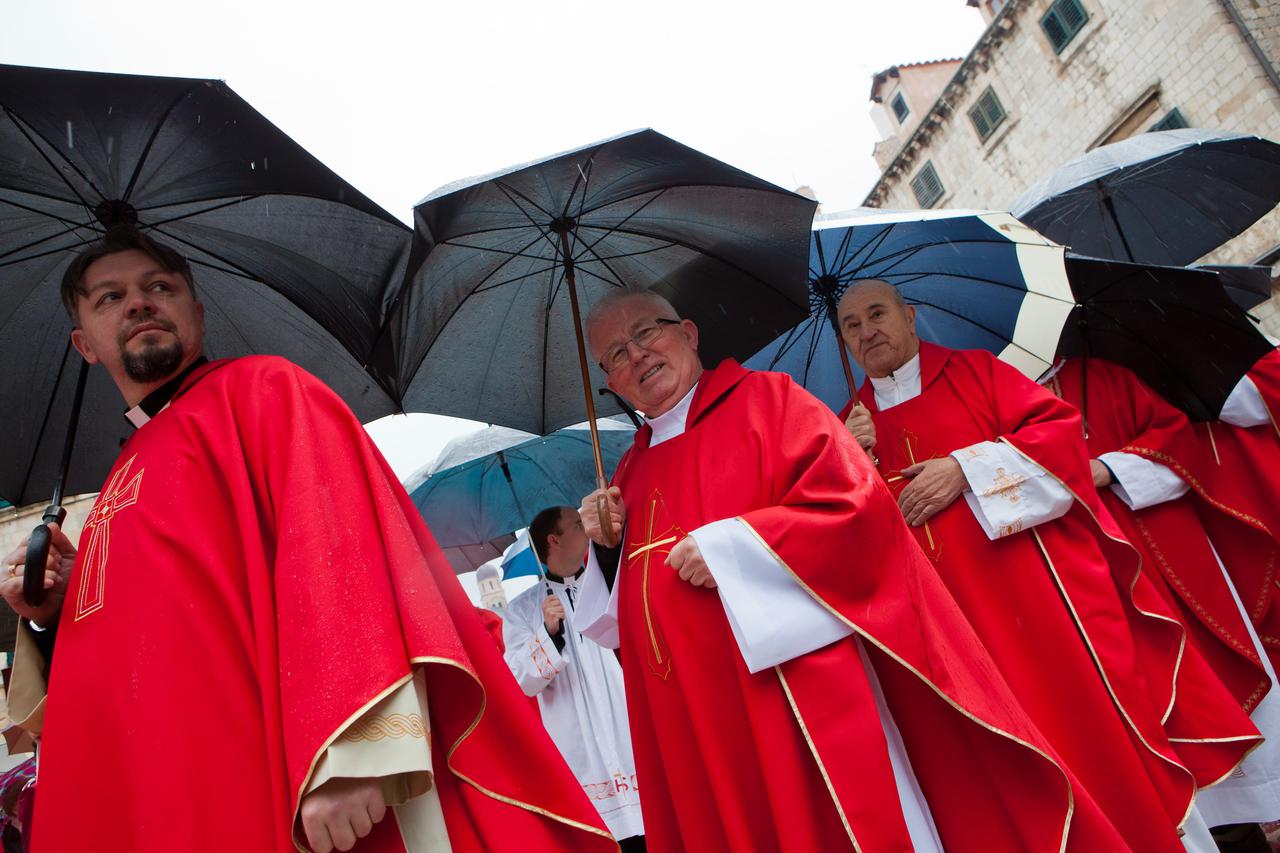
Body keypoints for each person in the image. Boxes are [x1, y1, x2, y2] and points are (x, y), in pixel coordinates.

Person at [0, 227, 615, 853]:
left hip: (263, 779)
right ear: (84, 344)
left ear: (196, 312)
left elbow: (340, 556)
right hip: (165, 792)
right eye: (109, 298)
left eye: (159, 287)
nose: (138, 303)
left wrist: (354, 751)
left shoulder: (262, 393)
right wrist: (53, 613)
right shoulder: (118, 481)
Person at [572, 289, 1146, 853]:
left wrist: (733, 548)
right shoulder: (629, 469)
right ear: (611, 384)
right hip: (700, 721)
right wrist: (606, 548)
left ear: (689, 333)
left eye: (646, 333)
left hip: (795, 698)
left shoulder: (770, 402)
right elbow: (629, 620)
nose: (638, 355)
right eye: (616, 355)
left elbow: (854, 511)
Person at [835, 279, 1259, 852]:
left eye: (877, 314)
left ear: (910, 318)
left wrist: (964, 468)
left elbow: (1059, 438)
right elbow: (844, 533)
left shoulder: (975, 373)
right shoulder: (845, 427)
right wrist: (851, 457)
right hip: (955, 641)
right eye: (852, 326)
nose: (867, 332)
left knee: (1094, 749)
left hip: (1040, 617)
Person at [1043, 355, 1280, 832]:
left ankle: (1271, 810)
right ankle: (1221, 829)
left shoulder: (1103, 374)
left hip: (1168, 550)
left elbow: (1174, 437)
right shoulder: (995, 402)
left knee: (1223, 675)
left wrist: (1107, 470)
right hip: (1088, 580)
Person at [502, 506, 644, 851]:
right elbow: (518, 680)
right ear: (554, 540)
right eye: (578, 524)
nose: (587, 526)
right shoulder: (521, 609)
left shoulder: (611, 581)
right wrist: (547, 632)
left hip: (626, 724)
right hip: (578, 737)